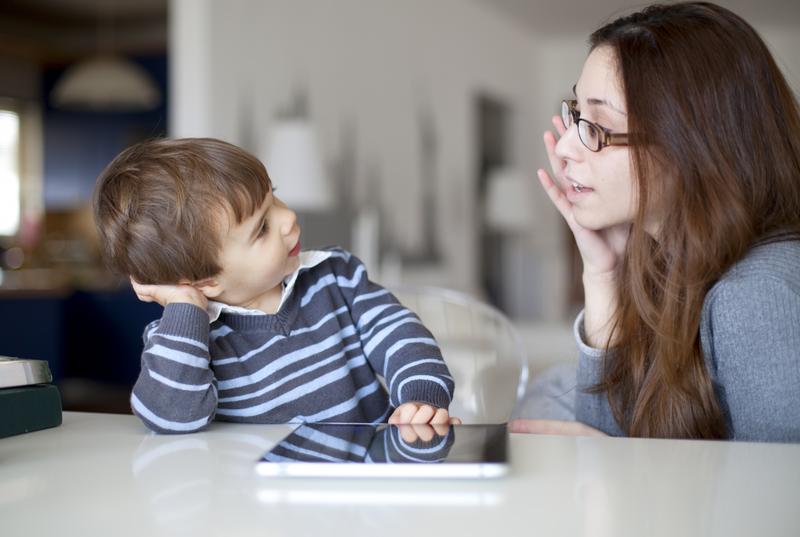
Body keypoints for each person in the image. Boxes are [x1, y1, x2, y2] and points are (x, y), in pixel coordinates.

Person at [511, 2, 800, 441]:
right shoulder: (674, 264)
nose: (565, 147)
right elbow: (611, 435)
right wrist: (603, 272)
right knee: (548, 392)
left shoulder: (755, 296)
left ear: (691, 146)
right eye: (575, 114)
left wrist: (616, 461)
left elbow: (774, 501)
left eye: (597, 126)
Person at [93, 138, 458, 433]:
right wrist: (187, 306)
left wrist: (420, 396)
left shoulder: (336, 277)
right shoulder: (185, 341)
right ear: (207, 281)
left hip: (362, 485)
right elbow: (171, 417)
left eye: (274, 196)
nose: (288, 217)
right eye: (262, 228)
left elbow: (399, 333)